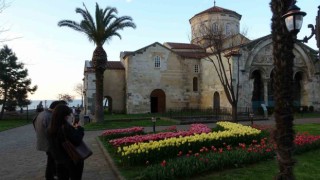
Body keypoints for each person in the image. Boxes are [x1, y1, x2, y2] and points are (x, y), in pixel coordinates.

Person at [47, 104, 85, 180]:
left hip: (58, 160)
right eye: (69, 114)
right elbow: (77, 140)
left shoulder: (50, 128)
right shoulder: (66, 127)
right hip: (71, 159)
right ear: (65, 116)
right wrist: (80, 129)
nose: (70, 116)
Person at [33, 100, 67, 180]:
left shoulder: (42, 114)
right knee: (51, 160)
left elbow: (34, 124)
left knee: (51, 159)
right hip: (50, 143)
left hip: (43, 141)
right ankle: (50, 176)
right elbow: (53, 131)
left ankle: (53, 174)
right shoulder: (50, 116)